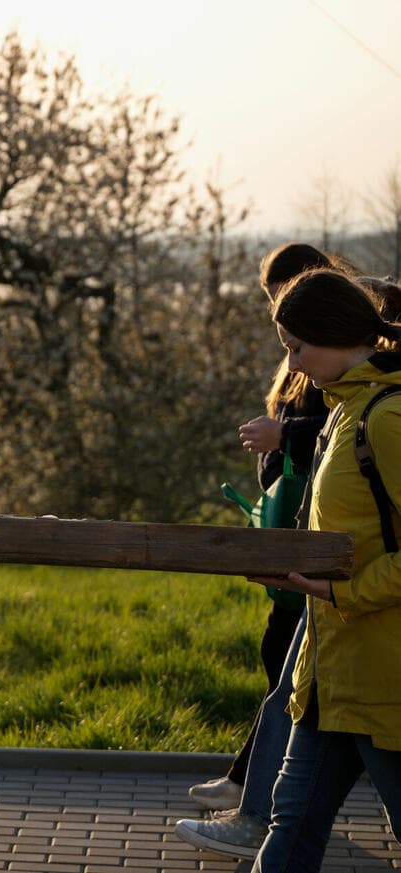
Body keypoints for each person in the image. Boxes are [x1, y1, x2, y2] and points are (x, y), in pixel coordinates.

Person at [244, 269, 401, 871]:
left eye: (295, 346)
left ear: (333, 333)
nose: (294, 362)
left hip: (384, 681)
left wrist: (346, 591)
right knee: (290, 825)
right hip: (328, 677)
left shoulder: (385, 417)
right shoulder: (341, 411)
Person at [187, 244, 333, 814]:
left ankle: (255, 791)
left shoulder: (326, 353)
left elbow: (341, 420)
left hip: (311, 532)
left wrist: (286, 435)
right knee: (285, 661)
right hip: (293, 526)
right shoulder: (305, 353)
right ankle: (258, 788)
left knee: (287, 662)